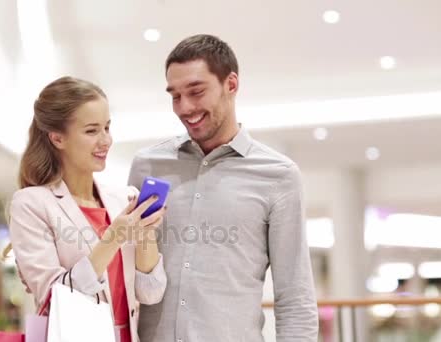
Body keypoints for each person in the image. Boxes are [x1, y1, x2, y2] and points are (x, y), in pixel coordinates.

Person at [128, 34, 318, 341]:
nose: (184, 107)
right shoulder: (148, 166)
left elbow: (295, 297)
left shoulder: (279, 176)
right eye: (175, 95)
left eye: (196, 92)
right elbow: (126, 273)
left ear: (231, 84)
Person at [8, 76, 167, 342]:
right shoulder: (31, 204)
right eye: (92, 131)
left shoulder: (124, 199)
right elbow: (53, 295)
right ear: (58, 138)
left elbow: (151, 292)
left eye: (107, 127)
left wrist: (145, 232)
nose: (105, 140)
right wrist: (113, 238)